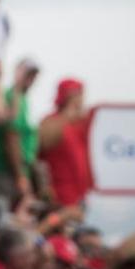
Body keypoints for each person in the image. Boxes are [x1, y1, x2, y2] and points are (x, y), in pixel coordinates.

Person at [0, 58, 40, 200]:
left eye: (33, 75)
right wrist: (21, 175)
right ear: (17, 72)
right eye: (27, 74)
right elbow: (12, 137)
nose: (30, 79)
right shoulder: (12, 96)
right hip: (7, 173)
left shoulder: (23, 100)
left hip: (15, 172)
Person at [38, 78, 92, 207]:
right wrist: (66, 117)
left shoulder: (79, 124)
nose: (80, 99)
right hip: (59, 195)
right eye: (76, 94)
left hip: (80, 195)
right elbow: (42, 145)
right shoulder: (50, 121)